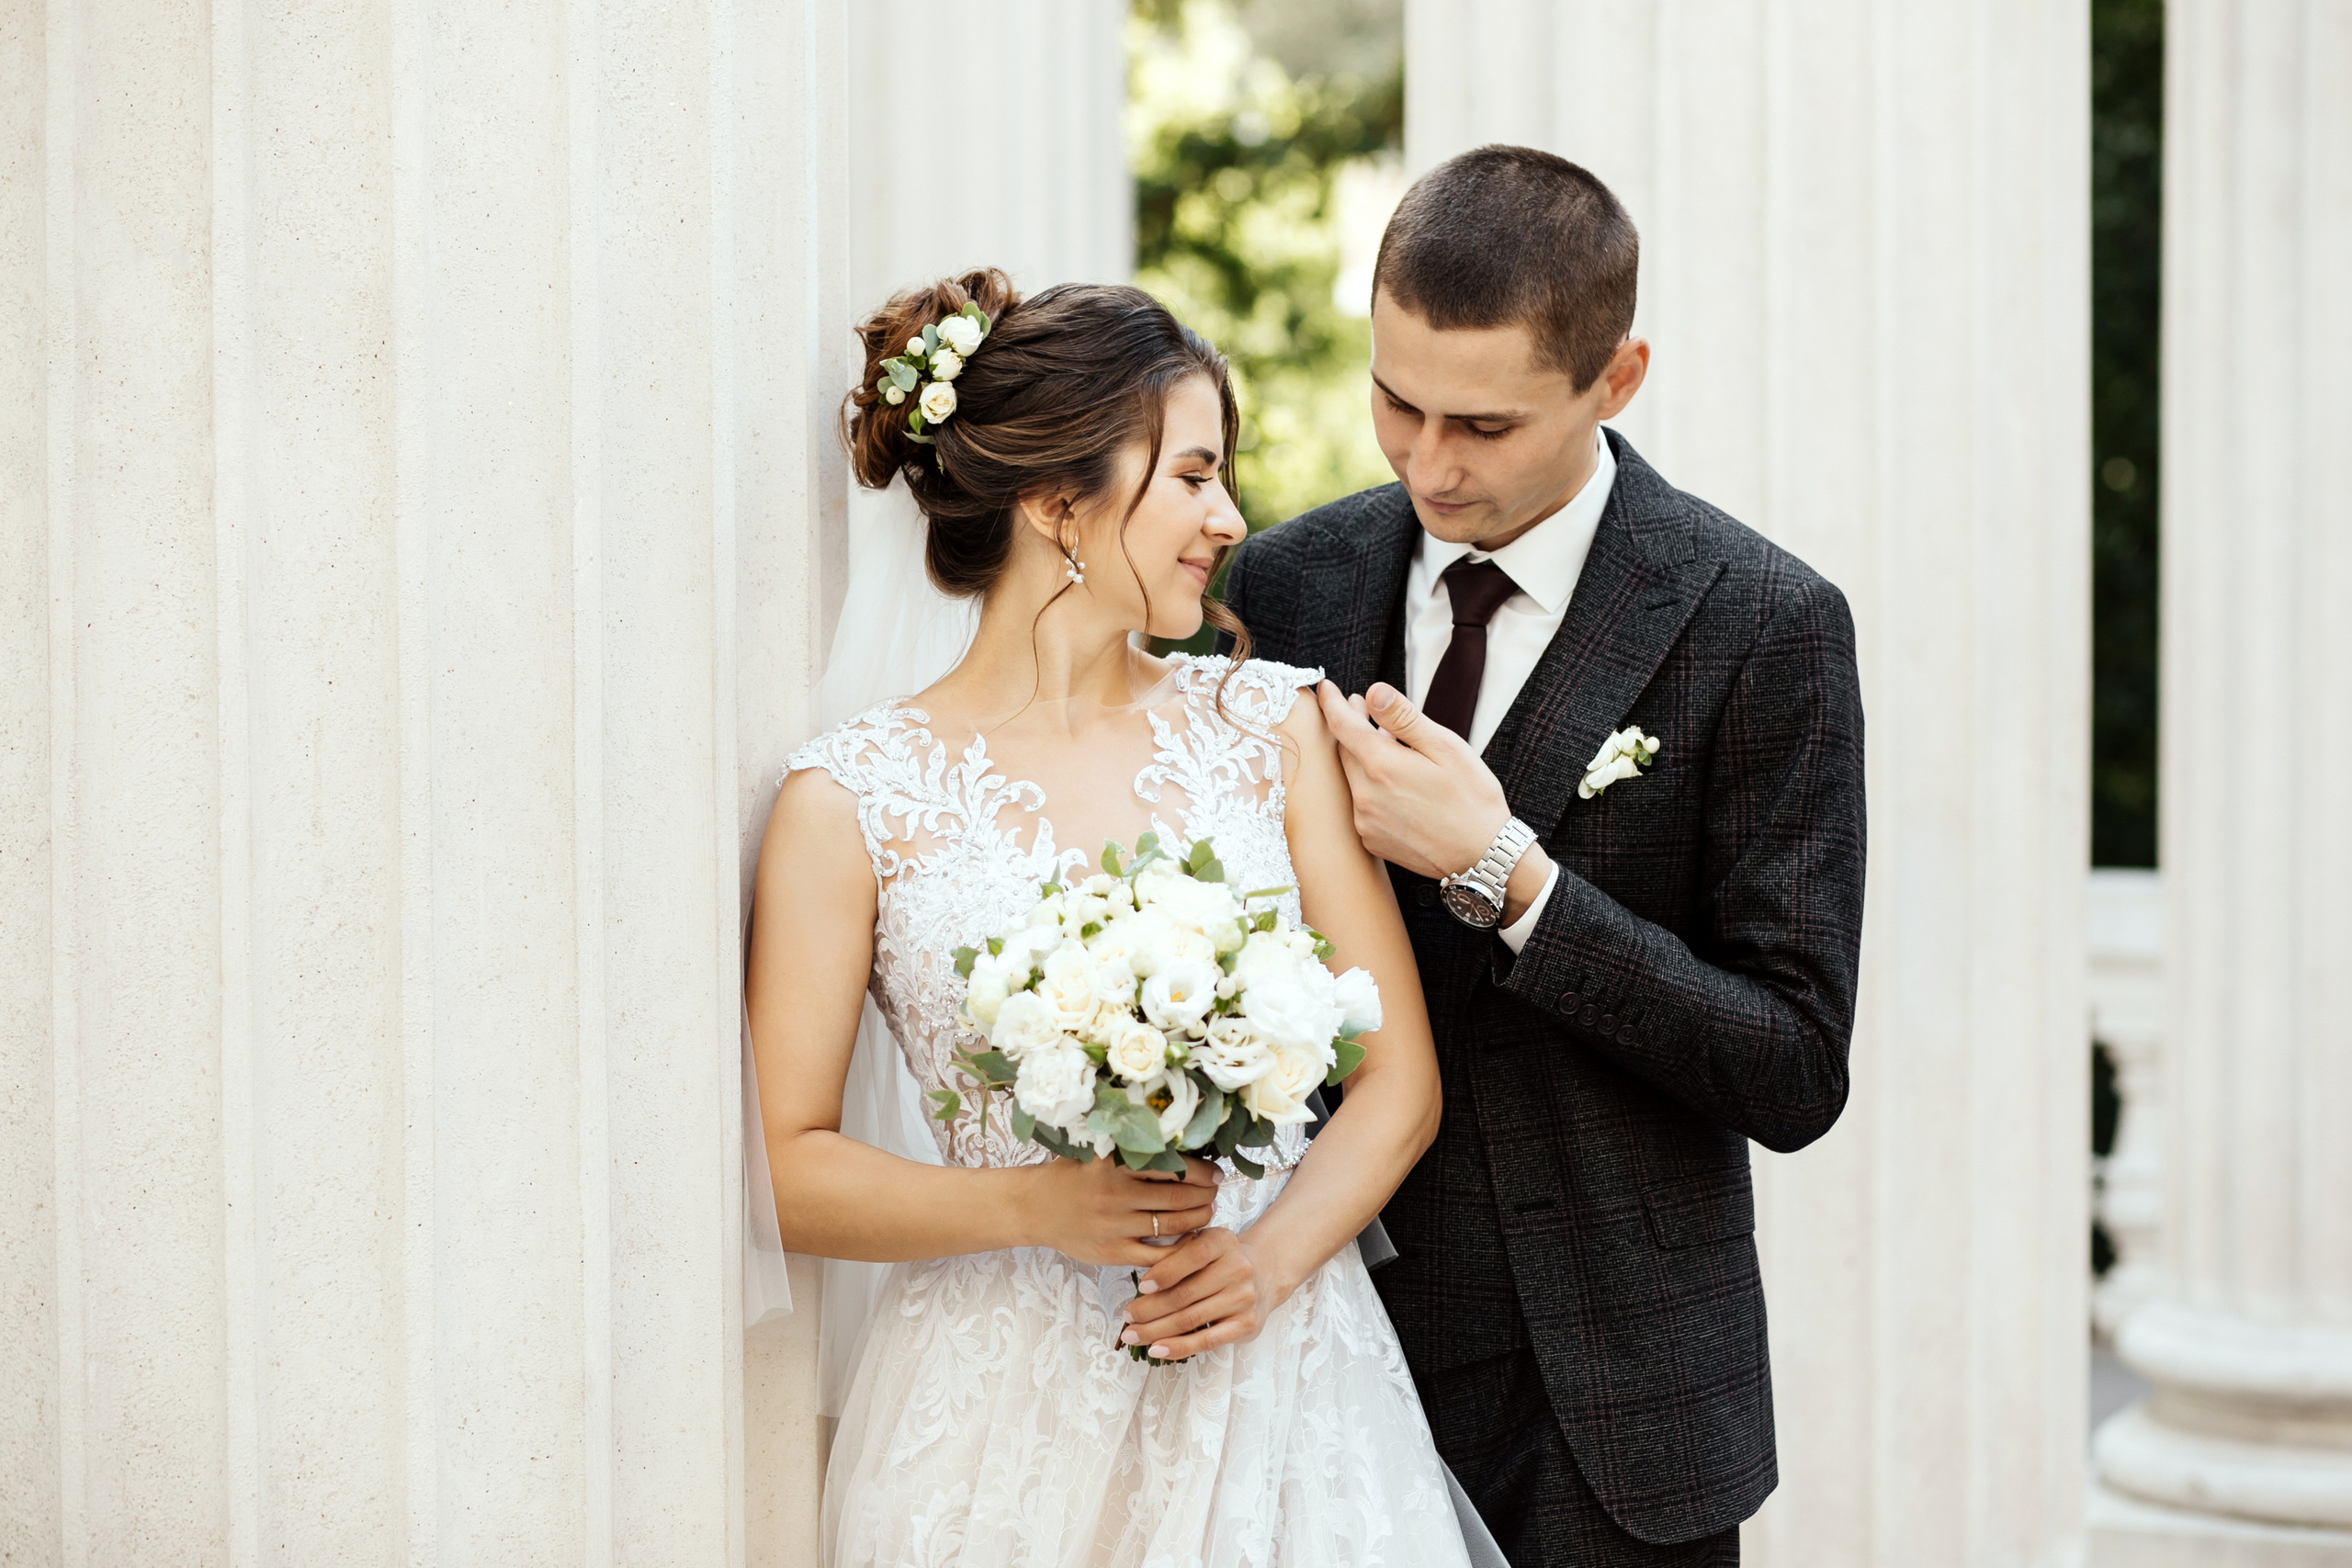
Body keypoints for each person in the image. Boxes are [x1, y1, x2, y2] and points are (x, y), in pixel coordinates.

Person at [745, 272, 1489, 1567]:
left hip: (1274, 1375)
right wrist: (1036, 1208)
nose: (1229, 517)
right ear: (1053, 502)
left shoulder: (1273, 731)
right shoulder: (851, 799)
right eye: (1192, 477)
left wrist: (1265, 1266)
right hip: (995, 1414)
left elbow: (1401, 1084)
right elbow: (790, 1166)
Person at [1219, 146, 1868, 1566]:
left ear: (1615, 379)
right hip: (1327, 1361)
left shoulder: (1763, 622)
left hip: (1617, 1407)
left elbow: (1793, 1063)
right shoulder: (1287, 582)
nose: (1429, 461)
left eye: (1485, 424)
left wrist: (1516, 881)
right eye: (1396, 400)